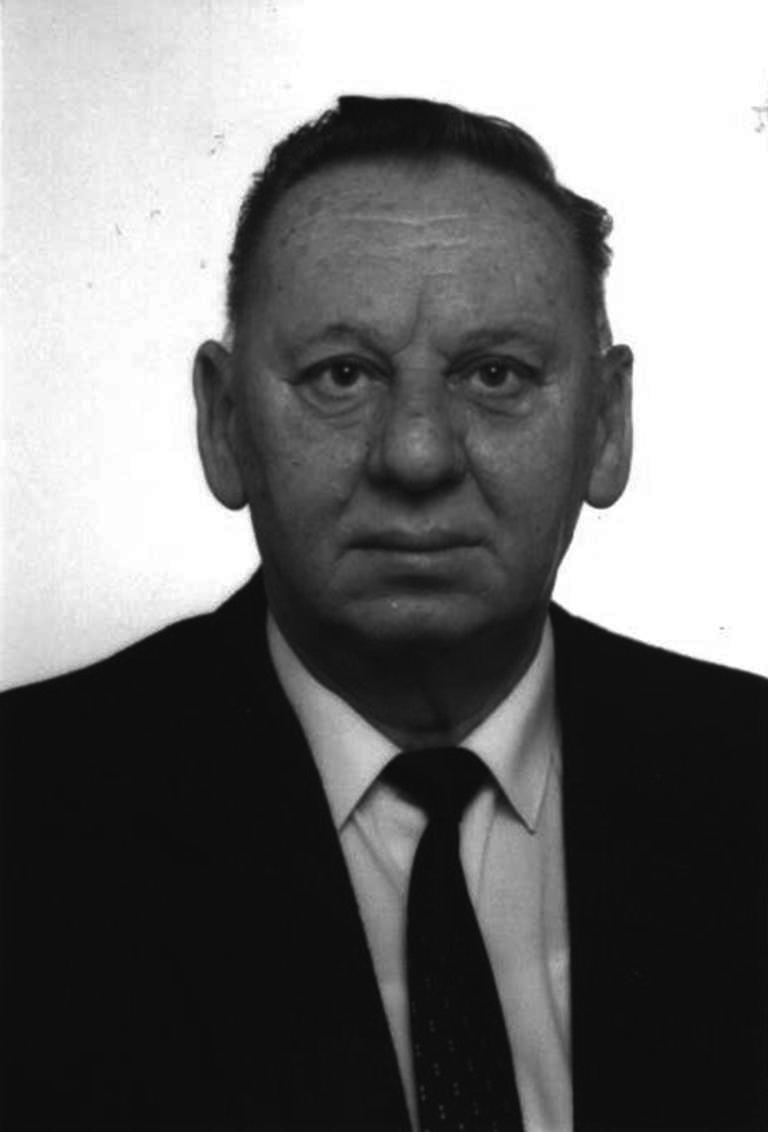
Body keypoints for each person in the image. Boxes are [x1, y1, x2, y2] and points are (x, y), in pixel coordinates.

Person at [1, 95, 766, 1132]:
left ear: (606, 424)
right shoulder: (31, 817)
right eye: (342, 375)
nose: (416, 453)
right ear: (224, 424)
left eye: (495, 374)